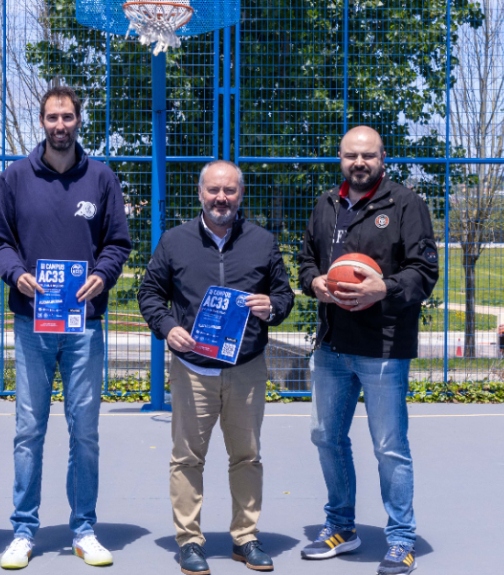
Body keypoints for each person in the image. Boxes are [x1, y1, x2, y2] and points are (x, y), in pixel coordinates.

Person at [0, 86, 133, 569]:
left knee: (84, 431)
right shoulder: (15, 177)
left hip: (84, 325)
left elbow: (117, 243)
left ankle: (84, 528)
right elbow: (0, 240)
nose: (60, 125)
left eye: (68, 117)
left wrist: (101, 275)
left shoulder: (101, 178)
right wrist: (16, 274)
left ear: (78, 120)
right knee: (29, 429)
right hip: (32, 322)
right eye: (53, 117)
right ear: (42, 121)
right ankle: (24, 530)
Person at [138, 160, 296, 575]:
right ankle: (189, 541)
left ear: (240, 194)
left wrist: (273, 306)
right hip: (193, 368)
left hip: (246, 366)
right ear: (200, 192)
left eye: (229, 191)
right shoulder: (174, 241)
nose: (221, 198)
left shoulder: (262, 241)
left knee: (247, 455)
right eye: (214, 190)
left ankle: (246, 537)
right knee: (187, 458)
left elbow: (284, 293)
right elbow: (150, 292)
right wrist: (167, 327)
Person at [297, 126, 438, 574]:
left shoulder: (405, 204)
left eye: (368, 156)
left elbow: (424, 270)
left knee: (389, 446)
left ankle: (400, 538)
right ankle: (342, 526)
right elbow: (305, 262)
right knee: (326, 437)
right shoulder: (326, 205)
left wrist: (387, 288)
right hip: (333, 345)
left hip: (383, 346)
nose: (359, 163)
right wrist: (314, 282)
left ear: (383, 158)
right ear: (340, 158)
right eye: (351, 155)